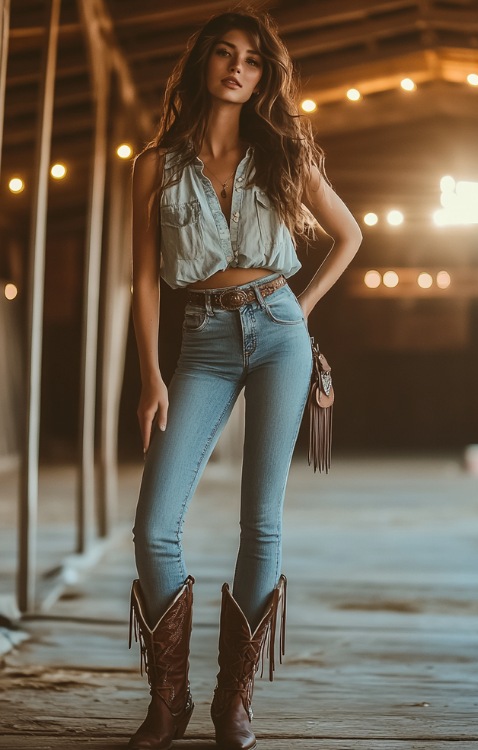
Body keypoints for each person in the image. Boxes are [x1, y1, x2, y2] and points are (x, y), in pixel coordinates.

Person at [128, 8, 362, 750]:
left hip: (278, 333)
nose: (238, 67)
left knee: (261, 521)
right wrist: (150, 376)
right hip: (199, 340)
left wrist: (303, 304)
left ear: (266, 75)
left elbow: (351, 234)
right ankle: (171, 701)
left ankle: (235, 701)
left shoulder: (283, 150)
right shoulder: (154, 165)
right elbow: (141, 282)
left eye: (254, 60)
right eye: (225, 54)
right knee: (153, 526)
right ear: (202, 63)